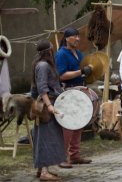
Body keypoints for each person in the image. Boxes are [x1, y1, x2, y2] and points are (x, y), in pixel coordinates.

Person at [55, 28, 92, 167]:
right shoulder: (61, 54)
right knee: (68, 126)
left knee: (79, 124)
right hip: (67, 92)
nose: (78, 39)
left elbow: (81, 73)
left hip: (79, 91)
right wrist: (81, 71)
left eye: (78, 36)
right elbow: (62, 75)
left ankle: (74, 155)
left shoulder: (79, 53)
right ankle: (61, 158)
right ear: (66, 38)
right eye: (74, 36)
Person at [31, 39, 66, 181]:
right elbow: (42, 88)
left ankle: (41, 169)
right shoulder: (44, 65)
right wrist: (50, 106)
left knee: (43, 137)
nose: (53, 49)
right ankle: (44, 172)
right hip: (47, 105)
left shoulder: (43, 65)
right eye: (52, 48)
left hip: (50, 102)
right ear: (48, 51)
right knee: (46, 137)